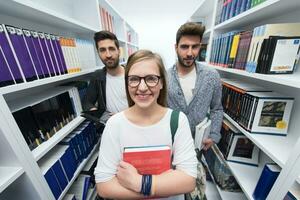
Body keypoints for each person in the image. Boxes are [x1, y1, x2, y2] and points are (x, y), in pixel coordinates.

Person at [94, 50, 197, 199]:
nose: (142, 88)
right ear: (127, 83)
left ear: (161, 82)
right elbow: (104, 186)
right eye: (134, 79)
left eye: (151, 78)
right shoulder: (115, 124)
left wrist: (140, 182)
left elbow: (188, 181)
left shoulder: (177, 120)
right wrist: (162, 186)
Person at [167, 22, 223, 150]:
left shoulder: (211, 76)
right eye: (184, 47)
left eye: (195, 47)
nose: (190, 53)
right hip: (172, 143)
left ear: (200, 47)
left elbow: (217, 108)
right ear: (176, 47)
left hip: (200, 144)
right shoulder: (164, 77)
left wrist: (214, 135)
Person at [83, 30, 127, 122]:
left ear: (118, 51)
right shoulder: (97, 76)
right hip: (109, 127)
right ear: (98, 53)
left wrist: (125, 115)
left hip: (133, 124)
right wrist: (98, 113)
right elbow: (87, 102)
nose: (108, 55)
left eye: (111, 49)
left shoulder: (132, 75)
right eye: (102, 50)